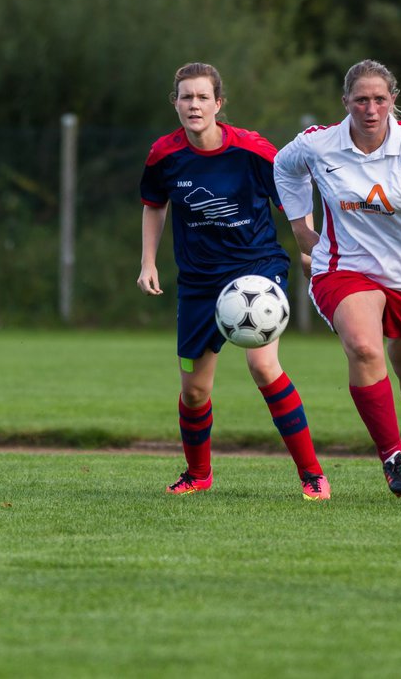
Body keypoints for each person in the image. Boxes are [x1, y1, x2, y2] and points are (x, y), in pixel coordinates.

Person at [273, 59, 401, 503]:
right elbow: (283, 168)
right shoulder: (319, 144)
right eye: (361, 99)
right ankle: (392, 458)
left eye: (379, 99)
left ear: (393, 101)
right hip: (343, 266)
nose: (370, 108)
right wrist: (301, 228)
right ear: (345, 101)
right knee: (364, 347)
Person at [137, 62, 330, 501]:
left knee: (263, 366)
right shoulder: (163, 155)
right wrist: (148, 261)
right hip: (199, 283)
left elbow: (294, 197)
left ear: (219, 104)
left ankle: (313, 475)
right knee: (194, 389)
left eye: (203, 97)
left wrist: (306, 250)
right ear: (175, 103)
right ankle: (198, 475)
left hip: (256, 270)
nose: (194, 105)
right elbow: (154, 204)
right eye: (186, 97)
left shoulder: (253, 150)